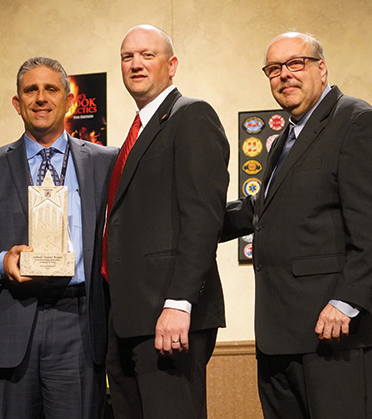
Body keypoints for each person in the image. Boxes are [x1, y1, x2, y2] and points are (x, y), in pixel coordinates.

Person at [223, 32, 372, 418]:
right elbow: (262, 206)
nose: (284, 75)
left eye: (295, 63)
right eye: (273, 69)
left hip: (336, 333)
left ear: (321, 68)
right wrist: (202, 222)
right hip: (280, 334)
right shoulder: (284, 137)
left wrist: (347, 301)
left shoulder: (357, 121)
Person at [0, 57, 117, 419]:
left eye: (51, 89)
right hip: (9, 320)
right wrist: (1, 260)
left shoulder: (106, 161)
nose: (41, 98)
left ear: (70, 101)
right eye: (31, 90)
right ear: (17, 103)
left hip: (79, 324)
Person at [104, 24, 230, 419]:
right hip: (126, 319)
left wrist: (179, 303)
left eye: (147, 55)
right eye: (127, 57)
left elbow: (202, 218)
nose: (135, 64)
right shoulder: (136, 132)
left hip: (169, 316)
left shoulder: (191, 116)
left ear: (171, 65)